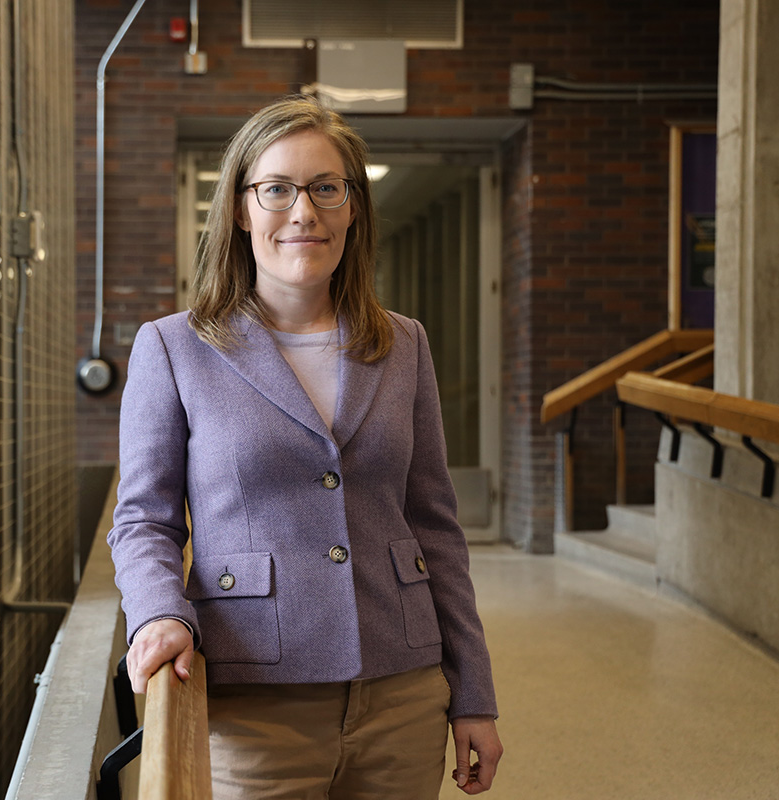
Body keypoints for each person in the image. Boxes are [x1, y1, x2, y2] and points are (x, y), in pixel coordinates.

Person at [108, 95, 502, 799]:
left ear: (354, 207)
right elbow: (144, 521)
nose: (303, 212)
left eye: (326, 188)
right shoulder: (174, 347)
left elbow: (436, 525)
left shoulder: (403, 341)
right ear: (240, 207)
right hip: (256, 693)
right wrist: (160, 614)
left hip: (403, 691)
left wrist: (473, 691)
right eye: (277, 189)